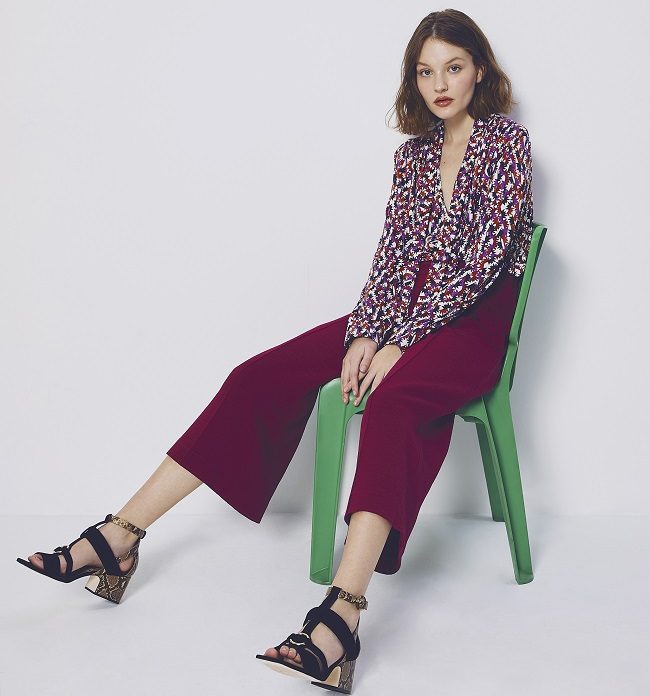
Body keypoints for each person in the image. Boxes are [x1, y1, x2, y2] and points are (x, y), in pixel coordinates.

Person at [16, 8, 533, 694]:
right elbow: (392, 258)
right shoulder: (411, 157)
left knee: (396, 400)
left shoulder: (507, 144)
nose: (439, 84)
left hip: (471, 325)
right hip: (404, 311)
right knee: (258, 376)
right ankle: (121, 535)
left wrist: (403, 343)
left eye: (453, 67)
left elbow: (482, 266)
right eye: (425, 71)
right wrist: (368, 332)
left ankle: (341, 618)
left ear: (479, 70)